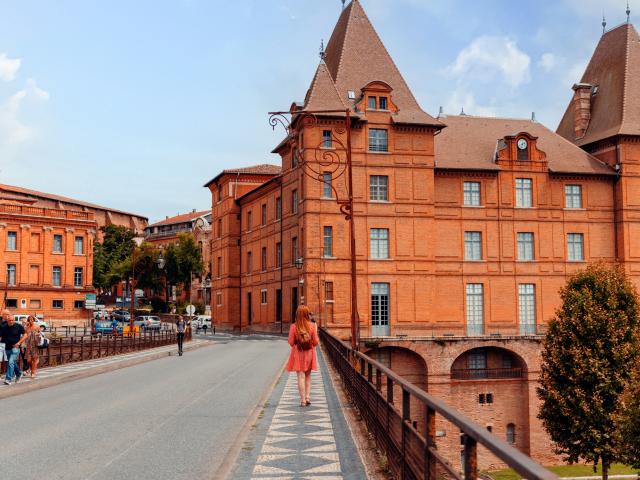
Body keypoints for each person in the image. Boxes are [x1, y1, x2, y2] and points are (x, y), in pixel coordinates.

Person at [287, 305, 319, 407]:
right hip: (309, 353)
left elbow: (291, 342)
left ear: (297, 314)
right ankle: (308, 397)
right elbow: (316, 342)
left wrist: (297, 342)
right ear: (306, 314)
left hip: (298, 353)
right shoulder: (312, 326)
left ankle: (302, 401)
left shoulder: (293, 326)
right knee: (308, 376)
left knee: (300, 377)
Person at [0, 312, 27, 385]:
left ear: (14, 320)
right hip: (7, 348)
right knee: (12, 363)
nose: (11, 321)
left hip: (15, 347)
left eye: (13, 320)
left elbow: (25, 335)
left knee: (11, 362)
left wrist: (19, 343)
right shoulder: (4, 327)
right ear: (7, 320)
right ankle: (18, 373)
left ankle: (8, 379)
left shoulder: (18, 326)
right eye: (10, 320)